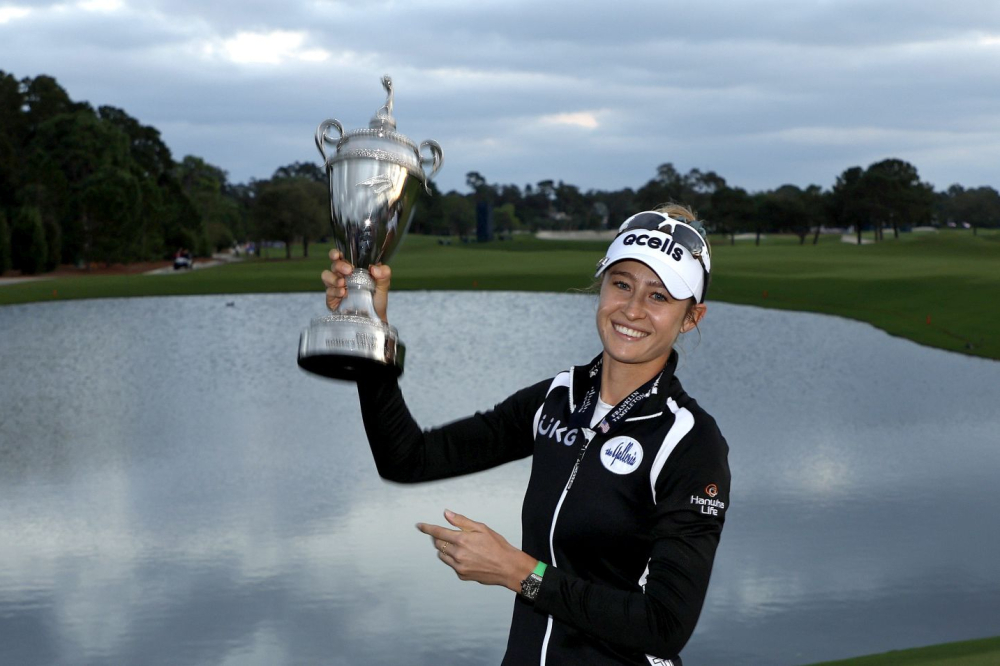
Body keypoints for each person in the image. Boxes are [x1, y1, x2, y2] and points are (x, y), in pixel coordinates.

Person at [322, 205, 730, 666]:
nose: (632, 310)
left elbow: (664, 626)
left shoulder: (691, 442)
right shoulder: (558, 398)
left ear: (691, 317)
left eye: (659, 297)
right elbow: (407, 458)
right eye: (622, 285)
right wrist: (371, 331)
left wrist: (519, 572)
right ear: (602, 288)